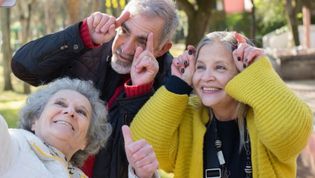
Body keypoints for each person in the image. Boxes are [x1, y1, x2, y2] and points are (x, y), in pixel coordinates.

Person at [11, 0, 178, 177]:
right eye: (124, 31)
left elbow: (134, 154)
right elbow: (23, 68)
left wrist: (139, 92)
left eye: (142, 42)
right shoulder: (89, 46)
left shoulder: (171, 86)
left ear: (162, 49)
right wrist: (82, 35)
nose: (126, 48)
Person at [129, 31, 313, 178]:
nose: (206, 77)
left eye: (220, 67)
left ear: (242, 72)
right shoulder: (188, 115)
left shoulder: (266, 115)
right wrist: (177, 85)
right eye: (200, 67)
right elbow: (144, 142)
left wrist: (259, 72)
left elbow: (291, 135)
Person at [0, 77, 159, 178]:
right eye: (60, 103)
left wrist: (143, 175)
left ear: (86, 140)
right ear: (35, 120)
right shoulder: (13, 145)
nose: (70, 111)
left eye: (81, 112)